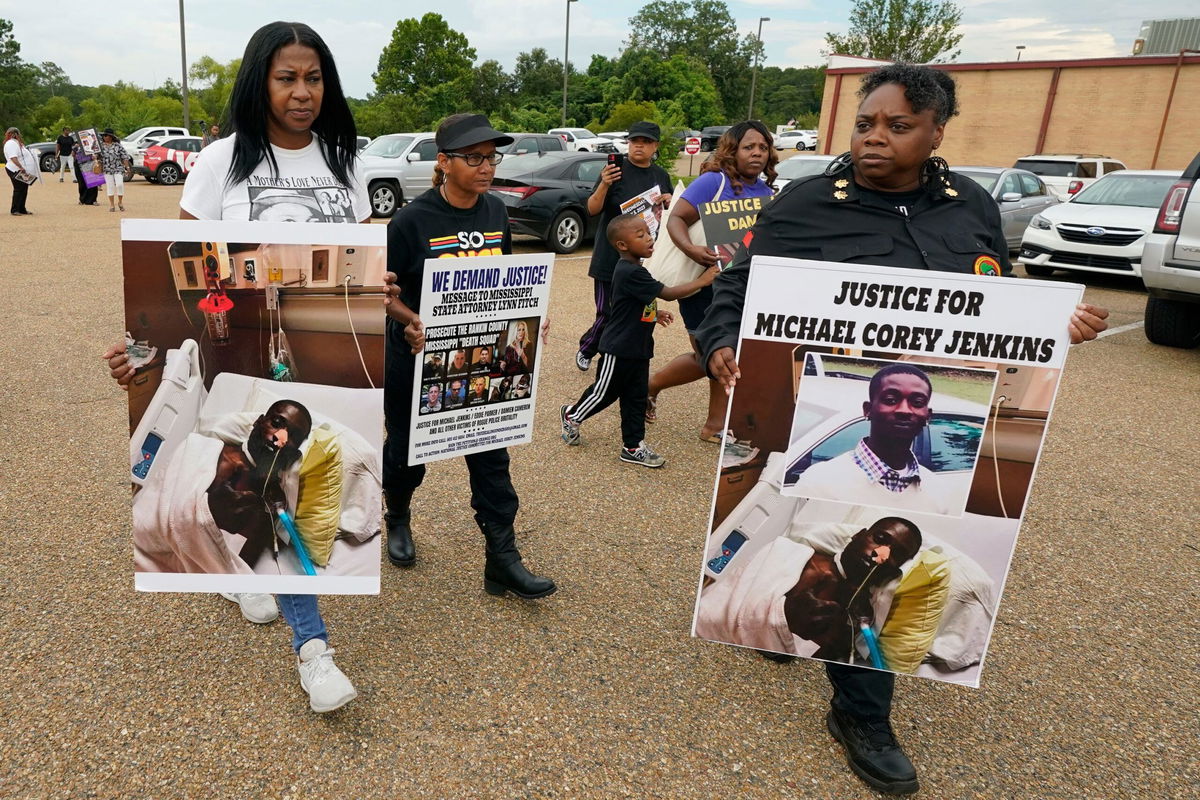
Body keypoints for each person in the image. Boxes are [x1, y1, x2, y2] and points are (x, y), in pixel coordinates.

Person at [696, 64, 1110, 796]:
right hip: (823, 410)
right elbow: (740, 282)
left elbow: (996, 302)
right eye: (865, 124)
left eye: (897, 126)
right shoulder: (806, 205)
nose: (874, 139)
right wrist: (721, 339)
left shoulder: (971, 207)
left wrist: (1052, 323)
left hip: (928, 431)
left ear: (936, 132)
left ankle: (860, 713)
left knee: (876, 560)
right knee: (798, 529)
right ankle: (783, 626)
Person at [103, 20, 370, 713]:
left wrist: (402, 317)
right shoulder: (222, 162)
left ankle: (242, 567)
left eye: (314, 78)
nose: (303, 92)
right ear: (261, 81)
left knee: (293, 481)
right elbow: (171, 274)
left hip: (310, 352)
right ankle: (314, 651)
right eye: (287, 78)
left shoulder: (347, 160)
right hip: (236, 344)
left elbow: (369, 264)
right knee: (268, 483)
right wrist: (137, 353)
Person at [380, 112, 555, 599]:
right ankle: (397, 514)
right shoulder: (412, 220)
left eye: (491, 157)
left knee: (491, 457)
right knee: (405, 454)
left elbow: (506, 279)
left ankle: (502, 558)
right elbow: (383, 293)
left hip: (485, 358)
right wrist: (409, 318)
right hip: (418, 360)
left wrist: (530, 315)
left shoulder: (496, 212)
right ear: (444, 162)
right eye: (473, 157)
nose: (485, 166)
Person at [646, 121, 778, 442]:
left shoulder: (767, 193)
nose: (757, 153)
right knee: (709, 358)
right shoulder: (712, 183)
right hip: (702, 285)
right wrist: (692, 249)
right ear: (733, 150)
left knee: (726, 355)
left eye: (763, 147)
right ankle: (648, 386)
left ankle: (715, 425)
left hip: (738, 288)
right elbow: (677, 217)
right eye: (749, 147)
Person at [560, 214, 717, 468]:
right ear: (622, 245)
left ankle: (633, 446)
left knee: (635, 398)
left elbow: (635, 302)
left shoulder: (637, 271)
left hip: (639, 349)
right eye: (640, 235)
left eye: (648, 232)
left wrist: (655, 314)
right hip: (618, 349)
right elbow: (666, 293)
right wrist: (703, 281)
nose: (649, 238)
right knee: (604, 394)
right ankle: (571, 415)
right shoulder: (629, 271)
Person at [695, 517, 921, 661]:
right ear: (858, 535)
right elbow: (725, 614)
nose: (881, 554)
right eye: (879, 539)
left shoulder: (862, 615)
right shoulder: (791, 557)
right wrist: (783, 615)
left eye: (896, 554)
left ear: (896, 570)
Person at [788, 364, 956, 515]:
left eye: (917, 402)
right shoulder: (818, 482)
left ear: (928, 416)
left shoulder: (939, 492)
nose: (904, 410)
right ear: (868, 410)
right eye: (890, 400)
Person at [575, 120, 673, 371]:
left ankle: (629, 358)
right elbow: (592, 209)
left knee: (642, 312)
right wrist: (605, 184)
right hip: (610, 257)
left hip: (646, 258)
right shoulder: (614, 171)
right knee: (608, 313)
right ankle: (588, 347)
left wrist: (670, 200)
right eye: (634, 141)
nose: (639, 146)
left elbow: (670, 212)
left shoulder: (660, 175)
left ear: (655, 146)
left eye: (645, 142)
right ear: (628, 143)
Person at [4, 127, 37, 215]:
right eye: (18, 134)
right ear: (14, 134)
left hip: (21, 170)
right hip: (15, 169)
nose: (19, 135)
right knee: (18, 188)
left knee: (24, 188)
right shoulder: (11, 143)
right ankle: (14, 210)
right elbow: (13, 157)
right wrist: (21, 167)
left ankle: (22, 208)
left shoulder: (17, 143)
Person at [97, 128, 131, 212]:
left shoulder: (117, 146)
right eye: (104, 135)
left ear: (111, 137)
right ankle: (112, 205)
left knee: (119, 185)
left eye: (106, 135)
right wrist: (95, 159)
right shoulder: (100, 146)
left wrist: (128, 168)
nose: (104, 137)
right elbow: (97, 157)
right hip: (107, 169)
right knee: (110, 186)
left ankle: (120, 202)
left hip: (118, 168)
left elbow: (125, 157)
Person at [71, 137, 99, 205]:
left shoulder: (92, 145)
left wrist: (95, 156)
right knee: (81, 183)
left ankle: (93, 200)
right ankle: (82, 199)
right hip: (79, 165)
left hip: (90, 164)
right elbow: (73, 154)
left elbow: (97, 153)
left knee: (92, 182)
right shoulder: (76, 147)